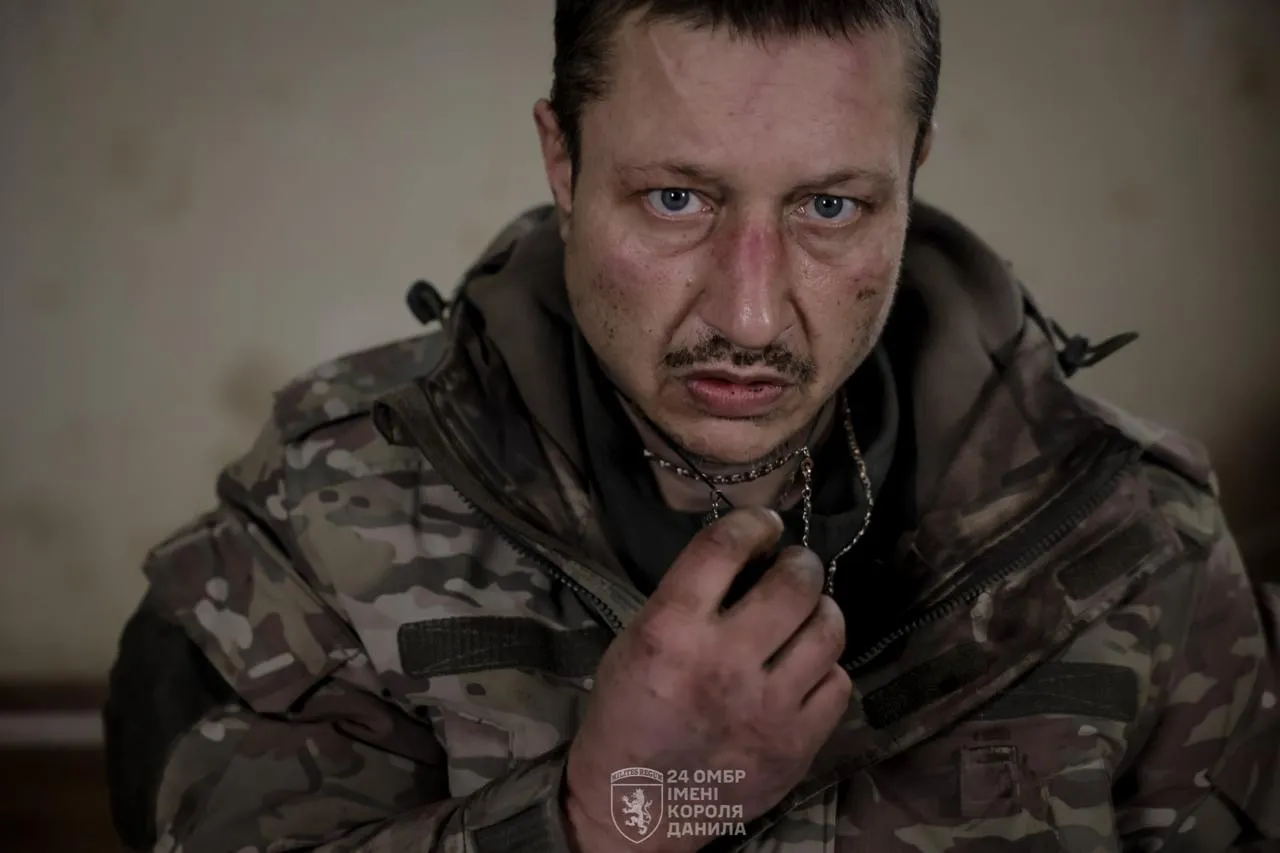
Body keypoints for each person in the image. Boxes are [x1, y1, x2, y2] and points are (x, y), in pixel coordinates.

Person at [103, 2, 1280, 851]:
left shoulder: (1136, 541)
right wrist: (606, 819)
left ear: (911, 170)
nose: (748, 316)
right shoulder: (326, 505)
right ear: (562, 159)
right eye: (676, 198)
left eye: (830, 206)